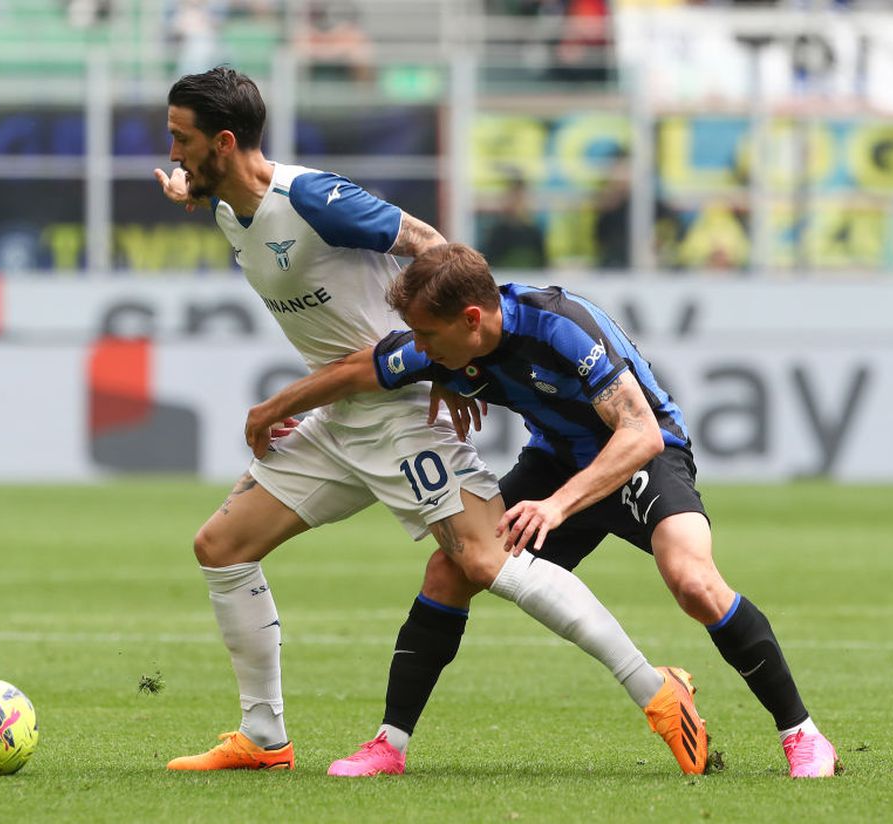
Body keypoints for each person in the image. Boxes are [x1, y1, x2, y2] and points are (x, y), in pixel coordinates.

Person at [153, 67, 709, 776]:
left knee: (485, 560)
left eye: (181, 140)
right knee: (222, 546)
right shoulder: (225, 197)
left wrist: (457, 362)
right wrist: (184, 187)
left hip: (400, 408)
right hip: (339, 416)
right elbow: (205, 190)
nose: (172, 153)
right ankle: (264, 740)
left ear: (224, 143)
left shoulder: (317, 201)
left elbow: (438, 250)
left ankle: (658, 691)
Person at [246, 242, 840, 779]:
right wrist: (271, 409)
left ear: (471, 320)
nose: (419, 349)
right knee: (449, 571)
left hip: (641, 459)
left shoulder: (561, 326)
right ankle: (389, 745)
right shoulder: (449, 346)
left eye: (427, 336)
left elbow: (641, 433)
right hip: (556, 461)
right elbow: (361, 369)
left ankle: (804, 737)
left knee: (693, 581)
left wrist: (557, 506)